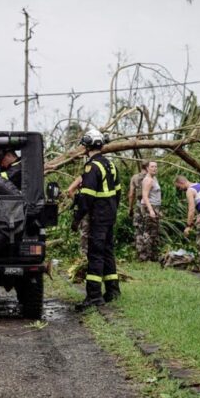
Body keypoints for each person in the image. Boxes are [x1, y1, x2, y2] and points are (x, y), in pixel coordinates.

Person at [72, 129, 121, 311]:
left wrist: (77, 219)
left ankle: (94, 296)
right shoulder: (111, 165)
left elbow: (86, 197)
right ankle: (112, 291)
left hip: (98, 218)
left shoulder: (91, 167)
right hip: (109, 216)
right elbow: (118, 193)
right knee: (108, 252)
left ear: (87, 146)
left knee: (96, 254)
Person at [139, 161, 162, 261]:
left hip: (156, 207)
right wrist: (151, 210)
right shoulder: (147, 180)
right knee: (148, 232)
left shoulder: (154, 178)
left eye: (156, 166)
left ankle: (152, 256)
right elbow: (145, 196)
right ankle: (145, 257)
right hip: (149, 207)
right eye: (152, 167)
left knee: (154, 232)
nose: (155, 168)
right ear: (147, 168)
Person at [128, 161, 148, 256]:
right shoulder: (151, 178)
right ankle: (148, 252)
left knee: (138, 228)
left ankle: (140, 252)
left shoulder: (135, 178)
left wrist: (130, 208)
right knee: (148, 227)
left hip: (139, 205)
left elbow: (131, 194)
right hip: (149, 205)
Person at [67, 175, 89, 257]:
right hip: (97, 208)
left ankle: (84, 255)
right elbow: (69, 190)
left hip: (84, 209)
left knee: (85, 232)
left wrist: (78, 201)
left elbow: (70, 190)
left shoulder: (83, 177)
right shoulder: (97, 176)